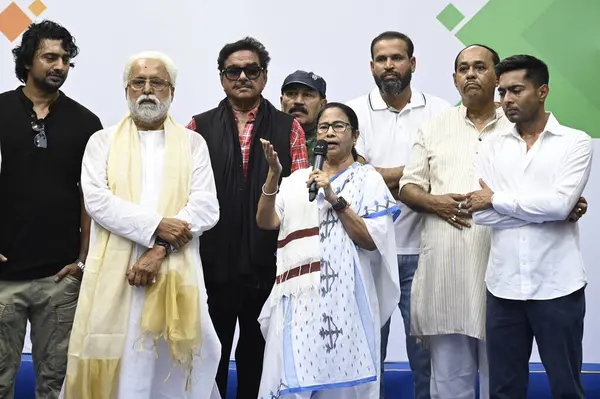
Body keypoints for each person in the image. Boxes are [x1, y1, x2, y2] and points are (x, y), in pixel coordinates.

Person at [60, 51, 222, 399]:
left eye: (157, 82)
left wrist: (158, 250)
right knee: (117, 365)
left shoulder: (193, 144)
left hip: (176, 271)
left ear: (172, 91)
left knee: (180, 366)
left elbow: (206, 208)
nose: (147, 90)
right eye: (139, 82)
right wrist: (157, 225)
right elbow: (98, 202)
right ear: (127, 90)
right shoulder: (101, 142)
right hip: (114, 278)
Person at [186, 37, 309, 399]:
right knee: (211, 355)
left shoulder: (290, 128)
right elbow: (186, 194)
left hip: (269, 264)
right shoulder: (197, 127)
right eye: (233, 70)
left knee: (260, 357)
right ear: (222, 77)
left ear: (264, 76)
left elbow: (300, 196)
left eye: (251, 70)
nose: (242, 76)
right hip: (212, 263)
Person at [256, 102, 400, 398]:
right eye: (324, 127)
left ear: (355, 135)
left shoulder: (368, 179)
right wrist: (273, 176)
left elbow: (371, 239)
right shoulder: (298, 180)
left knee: (344, 387)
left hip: (347, 300)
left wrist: (334, 198)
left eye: (339, 126)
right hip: (298, 301)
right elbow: (266, 221)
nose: (330, 133)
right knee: (289, 381)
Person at [470, 55, 593, 399]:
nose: (506, 99)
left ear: (542, 91)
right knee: (505, 390)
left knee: (567, 388)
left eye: (516, 90)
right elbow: (481, 214)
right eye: (502, 91)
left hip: (558, 287)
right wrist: (546, 208)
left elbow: (558, 205)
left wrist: (498, 199)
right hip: (503, 288)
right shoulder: (491, 145)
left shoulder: (575, 142)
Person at [0, 20, 102, 399]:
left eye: (65, 59)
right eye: (50, 57)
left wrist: (83, 260)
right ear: (28, 60)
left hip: (59, 280)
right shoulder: (1, 110)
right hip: (3, 279)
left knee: (56, 384)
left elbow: (92, 198)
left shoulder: (86, 123)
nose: (59, 66)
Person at [346, 31, 450, 399]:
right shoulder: (351, 112)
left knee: (427, 357)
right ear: (371, 66)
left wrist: (378, 174)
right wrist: (414, 176)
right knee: (367, 353)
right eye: (382, 59)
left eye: (397, 58)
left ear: (413, 64)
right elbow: (351, 177)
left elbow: (446, 174)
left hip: (425, 251)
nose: (389, 65)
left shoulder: (440, 111)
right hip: (369, 252)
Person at [280, 70, 327, 165]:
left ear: (322, 105)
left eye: (308, 95)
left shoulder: (330, 143)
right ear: (281, 101)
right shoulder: (268, 136)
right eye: (291, 94)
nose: (298, 101)